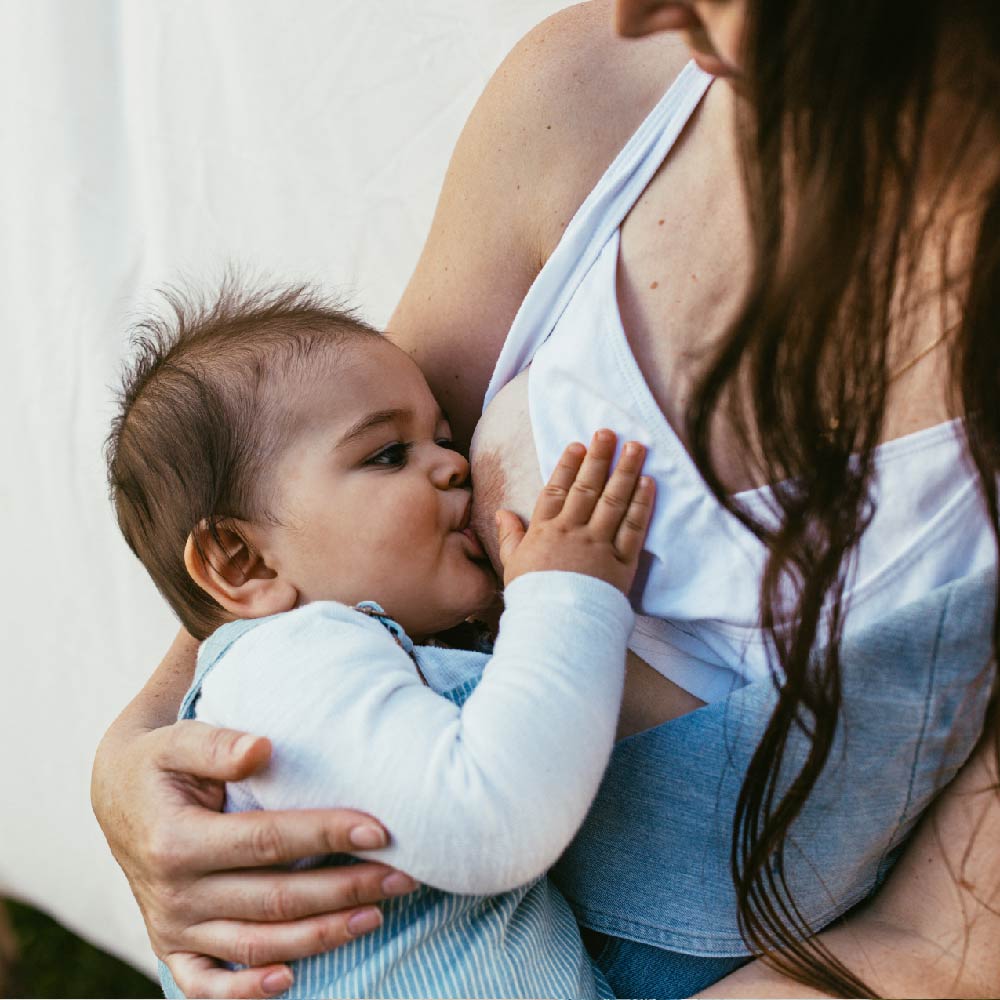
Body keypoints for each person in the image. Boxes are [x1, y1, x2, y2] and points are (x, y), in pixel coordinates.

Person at [91, 1, 1000, 997]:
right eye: (404, 451)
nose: (639, 11)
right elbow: (287, 508)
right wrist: (134, 750)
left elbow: (941, 945)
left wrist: (565, 597)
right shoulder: (594, 96)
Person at [106, 283, 664, 997]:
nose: (453, 464)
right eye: (387, 454)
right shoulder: (286, 667)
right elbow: (488, 818)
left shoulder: (337, 663)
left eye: (443, 437)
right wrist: (566, 595)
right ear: (241, 562)